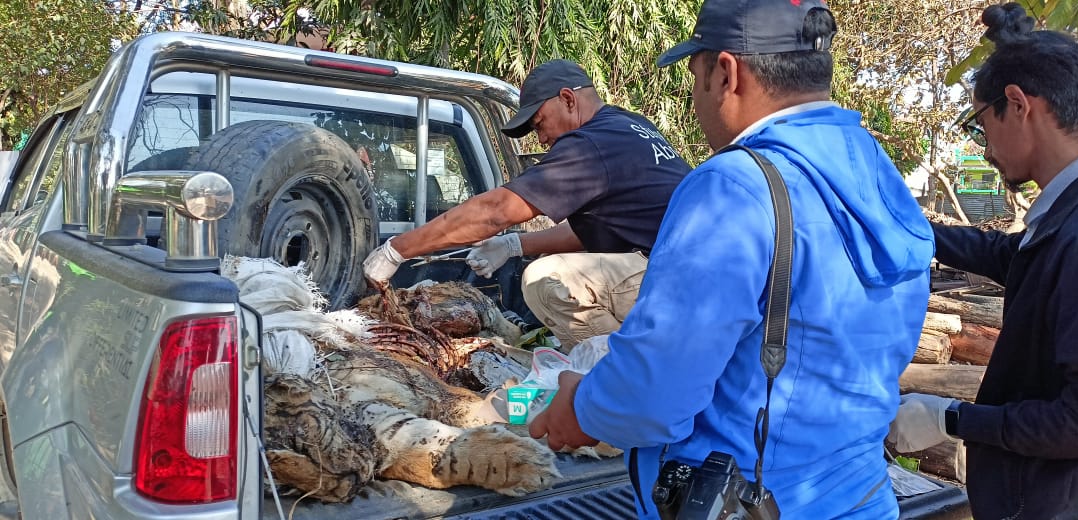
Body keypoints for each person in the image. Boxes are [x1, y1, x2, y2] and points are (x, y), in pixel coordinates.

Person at [527, 0, 935, 517]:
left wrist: (581, 407)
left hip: (747, 501)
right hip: (860, 499)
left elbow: (653, 392)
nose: (696, 98)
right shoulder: (878, 173)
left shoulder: (733, 187)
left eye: (696, 76)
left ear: (726, 73)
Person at [887, 4, 1078, 518]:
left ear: (1017, 104)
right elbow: (1019, 257)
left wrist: (954, 419)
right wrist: (911, 230)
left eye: (981, 123)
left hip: (1070, 502)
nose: (984, 145)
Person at [362, 59, 691, 350]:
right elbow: (599, 228)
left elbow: (496, 212)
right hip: (691, 271)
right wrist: (513, 244)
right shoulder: (629, 126)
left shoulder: (590, 144)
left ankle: (617, 383)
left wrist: (397, 249)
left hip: (671, 278)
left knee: (545, 280)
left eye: (539, 124)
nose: (542, 139)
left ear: (567, 99)